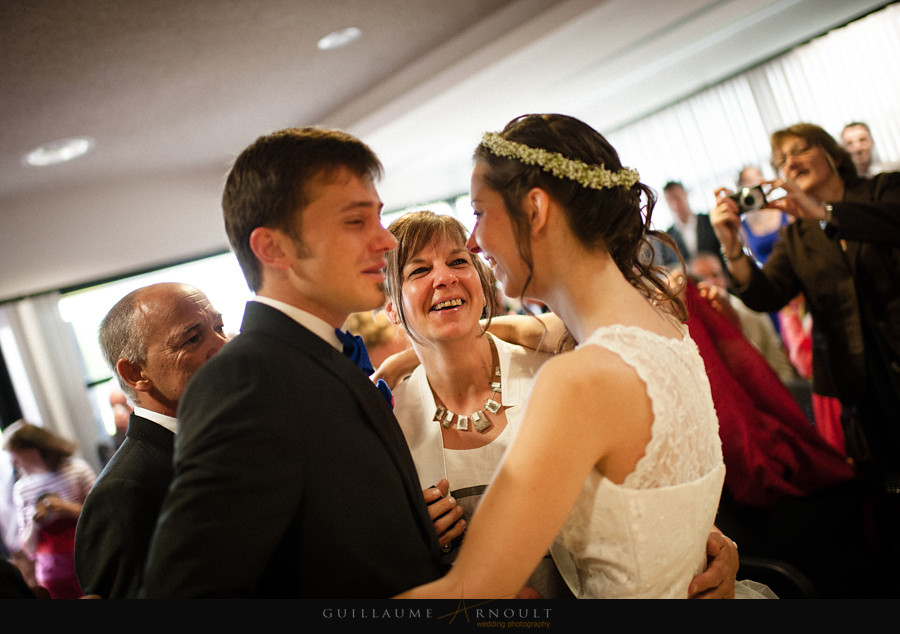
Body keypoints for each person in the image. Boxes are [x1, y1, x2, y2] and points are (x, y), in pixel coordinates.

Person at [397, 114, 730, 599]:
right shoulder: (665, 329)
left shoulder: (577, 380)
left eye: (480, 213)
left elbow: (471, 592)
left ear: (534, 210)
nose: (473, 241)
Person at [140, 127, 446, 598]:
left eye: (378, 217)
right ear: (274, 248)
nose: (386, 240)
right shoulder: (246, 380)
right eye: (356, 221)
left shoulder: (321, 356)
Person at [711, 122, 900, 575]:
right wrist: (733, 248)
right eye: (781, 160)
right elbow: (766, 294)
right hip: (862, 383)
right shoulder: (797, 236)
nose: (789, 163)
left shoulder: (883, 190)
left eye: (799, 151)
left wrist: (824, 211)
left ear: (831, 153)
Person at [74, 282, 229, 598]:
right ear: (135, 373)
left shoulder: (234, 440)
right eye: (192, 339)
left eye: (219, 327)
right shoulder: (124, 492)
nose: (223, 346)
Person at [2, 421, 96, 599]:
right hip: (52, 575)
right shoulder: (22, 488)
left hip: (88, 562)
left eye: (15, 455)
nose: (13, 463)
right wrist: (35, 523)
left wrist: (69, 509)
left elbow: (102, 515)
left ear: (32, 450)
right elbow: (28, 546)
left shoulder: (77, 470)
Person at [687, 251, 795, 384]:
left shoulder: (749, 309)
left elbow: (776, 357)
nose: (711, 282)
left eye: (715, 275)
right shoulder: (692, 322)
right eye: (702, 277)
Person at [735, 165, 790, 265]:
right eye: (748, 181)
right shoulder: (742, 226)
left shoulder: (783, 209)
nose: (755, 183)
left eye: (758, 177)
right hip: (768, 273)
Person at [659, 181, 722, 266]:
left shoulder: (710, 221)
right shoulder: (667, 238)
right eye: (670, 200)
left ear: (685, 194)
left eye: (677, 198)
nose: (675, 204)